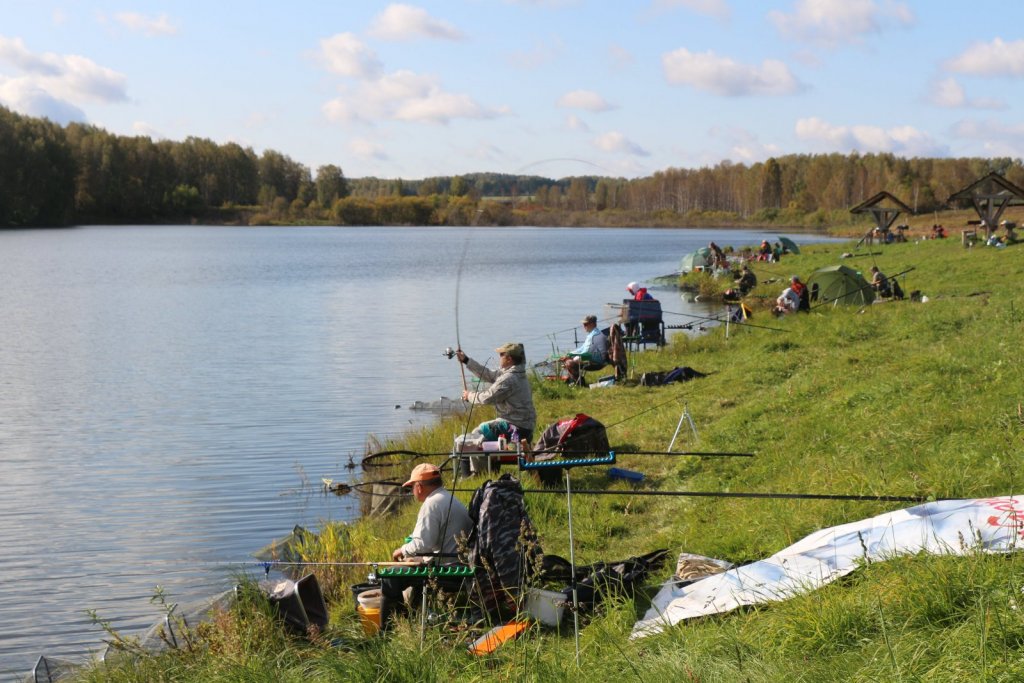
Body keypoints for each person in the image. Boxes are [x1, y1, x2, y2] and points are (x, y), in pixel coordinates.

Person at [380, 463, 473, 630]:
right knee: (411, 566)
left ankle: (388, 631)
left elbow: (423, 543)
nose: (412, 492)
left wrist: (401, 550)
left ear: (419, 487)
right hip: (459, 563)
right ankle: (411, 619)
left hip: (447, 570)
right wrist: (418, 556)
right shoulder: (447, 498)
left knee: (389, 577)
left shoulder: (431, 504)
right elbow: (433, 544)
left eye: (411, 487)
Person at [457, 343, 536, 446]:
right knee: (481, 430)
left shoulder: (509, 379)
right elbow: (488, 374)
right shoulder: (516, 372)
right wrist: (466, 360)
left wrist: (469, 396)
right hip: (525, 427)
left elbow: (487, 397)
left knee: (477, 436)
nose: (499, 357)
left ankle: (483, 460)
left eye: (501, 355)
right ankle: (489, 458)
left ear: (509, 359)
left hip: (516, 428)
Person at [561, 314, 608, 384]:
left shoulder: (594, 336)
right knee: (570, 359)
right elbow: (582, 348)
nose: (584, 326)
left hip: (597, 362)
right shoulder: (592, 334)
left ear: (592, 324)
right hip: (594, 358)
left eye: (585, 324)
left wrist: (571, 357)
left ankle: (578, 383)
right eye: (583, 324)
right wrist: (570, 354)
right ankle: (574, 380)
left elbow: (586, 353)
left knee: (570, 363)